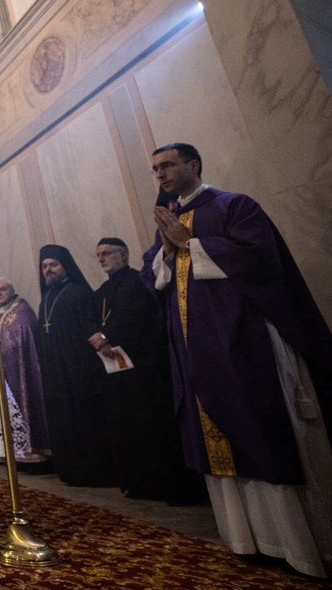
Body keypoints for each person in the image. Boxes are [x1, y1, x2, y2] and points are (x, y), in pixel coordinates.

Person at [142, 142, 332, 577]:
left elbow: (261, 261)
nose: (161, 174)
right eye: (155, 169)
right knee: (216, 438)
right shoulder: (169, 220)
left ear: (193, 165)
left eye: (168, 165)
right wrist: (169, 253)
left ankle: (297, 544)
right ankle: (246, 538)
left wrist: (191, 243)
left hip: (244, 344)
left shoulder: (234, 206)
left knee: (259, 429)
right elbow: (151, 276)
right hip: (197, 350)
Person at [90, 238, 198, 501]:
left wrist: (108, 337)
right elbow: (94, 320)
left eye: (107, 253)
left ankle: (158, 483)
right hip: (115, 372)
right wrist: (95, 336)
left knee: (148, 425)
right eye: (99, 255)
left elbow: (137, 318)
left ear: (124, 254)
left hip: (142, 370)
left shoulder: (139, 281)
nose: (103, 258)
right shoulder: (102, 291)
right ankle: (134, 482)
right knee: (124, 427)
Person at [35, 244, 115, 487]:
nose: (48, 270)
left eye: (53, 265)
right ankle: (68, 468)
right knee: (62, 418)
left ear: (65, 266)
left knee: (84, 419)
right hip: (54, 371)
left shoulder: (78, 292)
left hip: (78, 369)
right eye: (44, 266)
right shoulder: (45, 299)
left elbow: (89, 327)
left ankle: (93, 471)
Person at [0, 277, 50, 463]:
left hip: (19, 367)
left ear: (12, 289)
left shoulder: (21, 311)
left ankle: (32, 452)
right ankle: (13, 451)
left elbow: (23, 337)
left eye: (3, 289)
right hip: (4, 370)